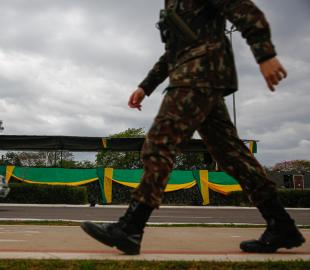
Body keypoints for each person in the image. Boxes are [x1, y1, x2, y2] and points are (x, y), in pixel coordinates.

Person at [81, 0, 305, 255]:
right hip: (195, 74)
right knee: (232, 155)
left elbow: (245, 11)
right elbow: (174, 52)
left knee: (159, 143)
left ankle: (130, 227)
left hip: (199, 74)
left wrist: (265, 54)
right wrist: (145, 87)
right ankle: (281, 224)